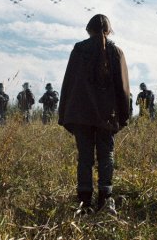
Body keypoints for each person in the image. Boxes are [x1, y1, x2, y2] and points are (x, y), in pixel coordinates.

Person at [58, 14, 130, 214]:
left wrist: (65, 113)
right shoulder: (116, 52)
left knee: (85, 158)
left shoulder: (79, 50)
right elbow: (123, 89)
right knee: (106, 155)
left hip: (80, 114)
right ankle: (105, 200)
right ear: (108, 30)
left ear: (88, 30)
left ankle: (84, 202)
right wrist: (123, 116)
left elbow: (68, 83)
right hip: (107, 115)